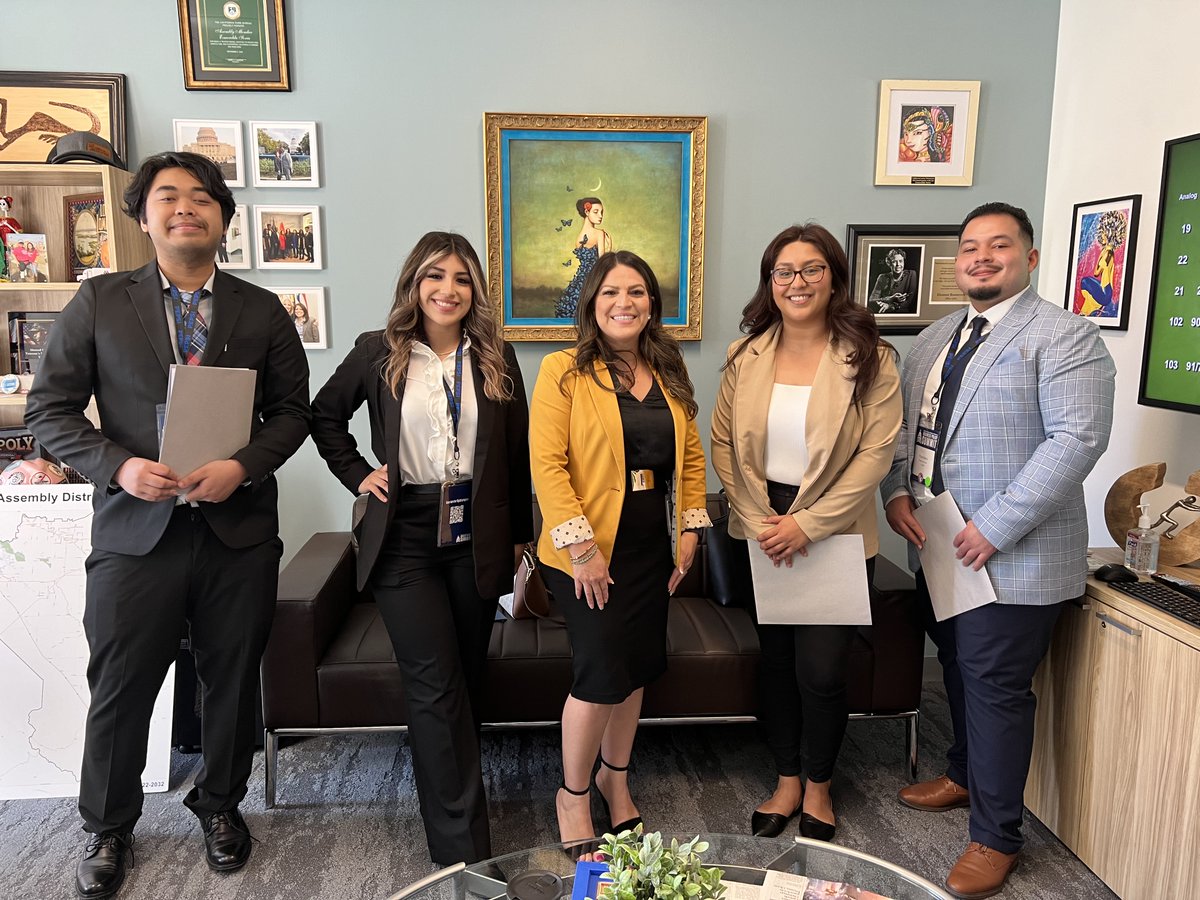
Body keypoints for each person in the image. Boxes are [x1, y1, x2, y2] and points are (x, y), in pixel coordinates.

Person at [24, 150, 310, 899]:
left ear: (223, 217)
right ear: (144, 215)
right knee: (120, 684)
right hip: (134, 531)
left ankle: (219, 806)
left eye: (202, 197)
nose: (186, 207)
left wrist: (242, 465)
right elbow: (48, 412)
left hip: (235, 530)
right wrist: (117, 465)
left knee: (228, 678)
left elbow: (291, 414)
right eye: (168, 197)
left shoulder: (261, 310)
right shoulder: (99, 302)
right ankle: (109, 824)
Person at [880, 202, 1115, 899]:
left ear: (1031, 258)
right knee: (953, 665)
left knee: (994, 689)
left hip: (1011, 553)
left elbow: (1075, 442)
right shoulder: (934, 336)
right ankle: (961, 773)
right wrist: (897, 492)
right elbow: (909, 431)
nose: (981, 258)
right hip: (938, 537)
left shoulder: (1066, 336)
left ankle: (996, 836)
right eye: (971, 247)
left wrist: (997, 526)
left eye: (999, 246)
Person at [310, 231, 531, 865]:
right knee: (434, 684)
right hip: (404, 536)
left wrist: (520, 540)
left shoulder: (497, 357)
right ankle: (463, 851)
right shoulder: (377, 352)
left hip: (475, 536)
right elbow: (323, 418)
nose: (448, 290)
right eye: (435, 276)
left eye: (462, 279)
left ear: (475, 291)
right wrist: (359, 474)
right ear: (414, 283)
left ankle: (450, 793)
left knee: (465, 676)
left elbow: (512, 456)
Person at [710, 224, 901, 844]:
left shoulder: (871, 355)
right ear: (771, 282)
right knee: (777, 662)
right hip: (762, 523)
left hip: (835, 529)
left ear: (833, 276)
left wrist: (806, 525)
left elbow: (874, 455)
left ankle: (820, 784)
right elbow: (721, 445)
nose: (798, 282)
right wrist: (763, 517)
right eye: (784, 271)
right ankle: (787, 777)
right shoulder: (746, 355)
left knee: (822, 669)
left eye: (811, 269)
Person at [531, 250, 711, 853]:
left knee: (634, 673)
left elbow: (689, 458)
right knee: (601, 674)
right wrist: (581, 550)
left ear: (652, 305)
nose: (623, 303)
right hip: (589, 549)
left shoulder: (669, 366)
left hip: (647, 547)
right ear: (592, 302)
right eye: (610, 292)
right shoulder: (563, 369)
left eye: (636, 292)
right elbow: (548, 467)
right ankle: (572, 796)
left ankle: (616, 778)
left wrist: (690, 529)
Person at [555, 196, 612, 319]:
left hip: (580, 279)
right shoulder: (599, 233)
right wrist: (610, 247)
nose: (600, 216)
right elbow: (602, 261)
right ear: (587, 212)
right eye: (596, 212)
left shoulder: (579, 237)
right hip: (594, 277)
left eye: (602, 212)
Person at [867, 248, 918, 314]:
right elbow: (871, 300)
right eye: (894, 261)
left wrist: (889, 305)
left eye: (900, 261)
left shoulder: (911, 274)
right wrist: (891, 298)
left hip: (903, 315)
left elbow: (909, 302)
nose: (898, 264)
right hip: (884, 314)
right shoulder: (882, 277)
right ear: (889, 263)